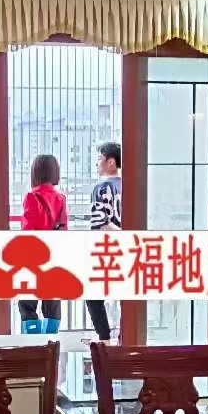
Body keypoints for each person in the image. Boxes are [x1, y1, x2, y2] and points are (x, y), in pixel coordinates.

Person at [18, 153, 68, 332]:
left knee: (28, 302)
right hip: (54, 255)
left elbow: (28, 229)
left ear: (36, 173)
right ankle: (51, 341)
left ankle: (33, 341)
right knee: (52, 301)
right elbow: (63, 228)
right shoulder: (61, 198)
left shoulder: (31, 197)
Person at [86, 140, 121, 342]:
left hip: (106, 251)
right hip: (128, 250)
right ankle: (125, 336)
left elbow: (100, 223)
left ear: (111, 162)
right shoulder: (129, 186)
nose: (96, 163)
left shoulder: (101, 188)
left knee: (93, 296)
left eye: (99, 158)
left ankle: (104, 337)